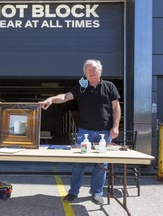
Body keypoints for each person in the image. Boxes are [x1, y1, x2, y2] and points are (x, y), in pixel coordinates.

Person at [40, 59, 121, 205]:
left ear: (100, 71)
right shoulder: (81, 88)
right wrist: (51, 99)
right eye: (87, 70)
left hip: (104, 132)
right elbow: (65, 97)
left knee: (101, 164)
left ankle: (96, 193)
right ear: (84, 73)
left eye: (94, 69)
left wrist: (115, 126)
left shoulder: (109, 86)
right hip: (84, 132)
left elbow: (116, 108)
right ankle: (73, 192)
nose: (91, 72)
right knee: (78, 163)